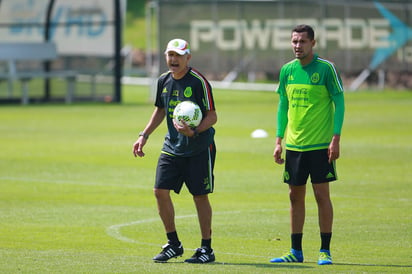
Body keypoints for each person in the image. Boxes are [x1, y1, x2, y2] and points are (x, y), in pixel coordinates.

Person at [132, 38, 217, 264]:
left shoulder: (199, 82)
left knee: (199, 196)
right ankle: (173, 244)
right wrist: (144, 135)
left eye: (178, 55)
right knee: (160, 191)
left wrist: (195, 131)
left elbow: (212, 115)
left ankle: (206, 248)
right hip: (172, 146)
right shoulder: (163, 81)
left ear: (188, 57)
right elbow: (160, 110)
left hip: (199, 147)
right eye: (170, 55)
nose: (173, 60)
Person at [270, 24, 345, 265]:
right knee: (294, 196)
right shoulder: (287, 71)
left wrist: (336, 138)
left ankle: (325, 250)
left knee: (322, 196)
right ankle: (295, 252)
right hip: (294, 146)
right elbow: (283, 105)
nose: (297, 46)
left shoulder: (326, 69)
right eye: (294, 41)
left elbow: (339, 103)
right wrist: (279, 140)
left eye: (302, 41)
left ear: (313, 43)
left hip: (321, 146)